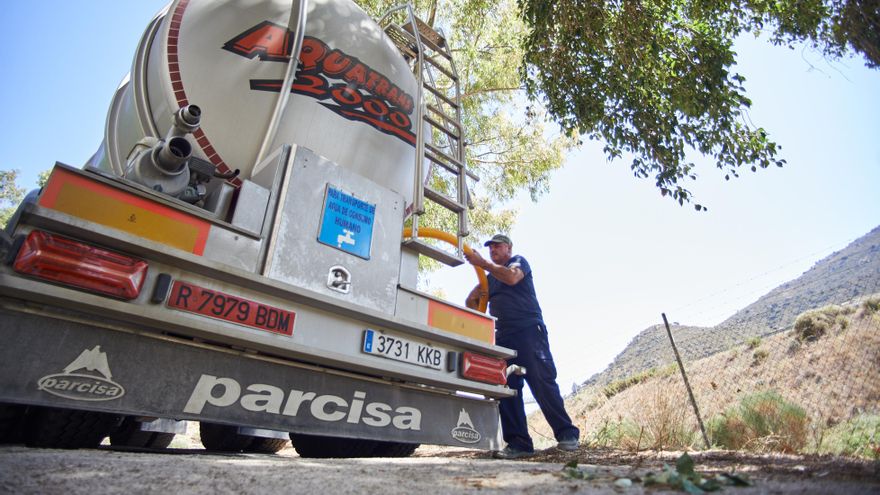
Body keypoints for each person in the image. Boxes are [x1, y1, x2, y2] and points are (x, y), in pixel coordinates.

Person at [464, 234, 580, 459]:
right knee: (507, 389)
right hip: (503, 336)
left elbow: (512, 278)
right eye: (490, 247)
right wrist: (479, 294)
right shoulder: (489, 278)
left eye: (497, 246)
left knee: (542, 381)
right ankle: (519, 444)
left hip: (528, 332)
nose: (493, 250)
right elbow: (470, 301)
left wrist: (483, 264)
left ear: (508, 247)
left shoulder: (518, 262)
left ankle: (567, 435)